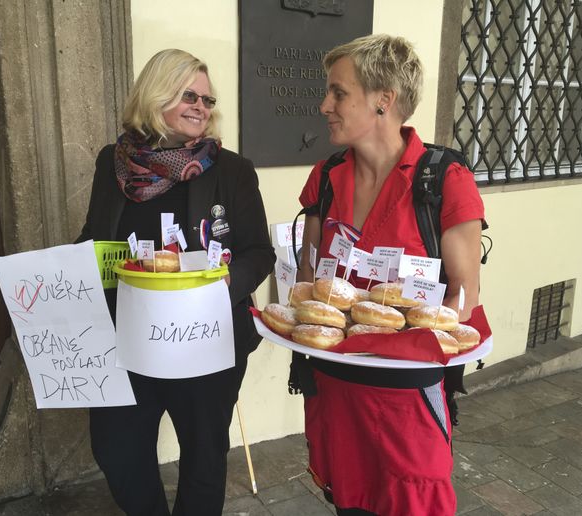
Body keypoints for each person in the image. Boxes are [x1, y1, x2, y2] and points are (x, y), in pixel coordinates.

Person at [77, 49, 275, 516]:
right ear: (155, 93)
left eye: (207, 100)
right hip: (125, 341)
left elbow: (258, 253)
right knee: (117, 451)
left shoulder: (231, 170)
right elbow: (94, 235)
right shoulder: (114, 162)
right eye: (189, 95)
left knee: (204, 458)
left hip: (203, 341)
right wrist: (61, 276)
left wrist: (216, 287)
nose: (201, 107)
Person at [295, 35, 485, 515]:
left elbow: (462, 300)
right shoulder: (326, 176)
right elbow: (308, 279)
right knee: (348, 504)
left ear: (385, 99)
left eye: (339, 93)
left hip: (405, 399)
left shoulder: (442, 179)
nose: (325, 105)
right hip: (334, 387)